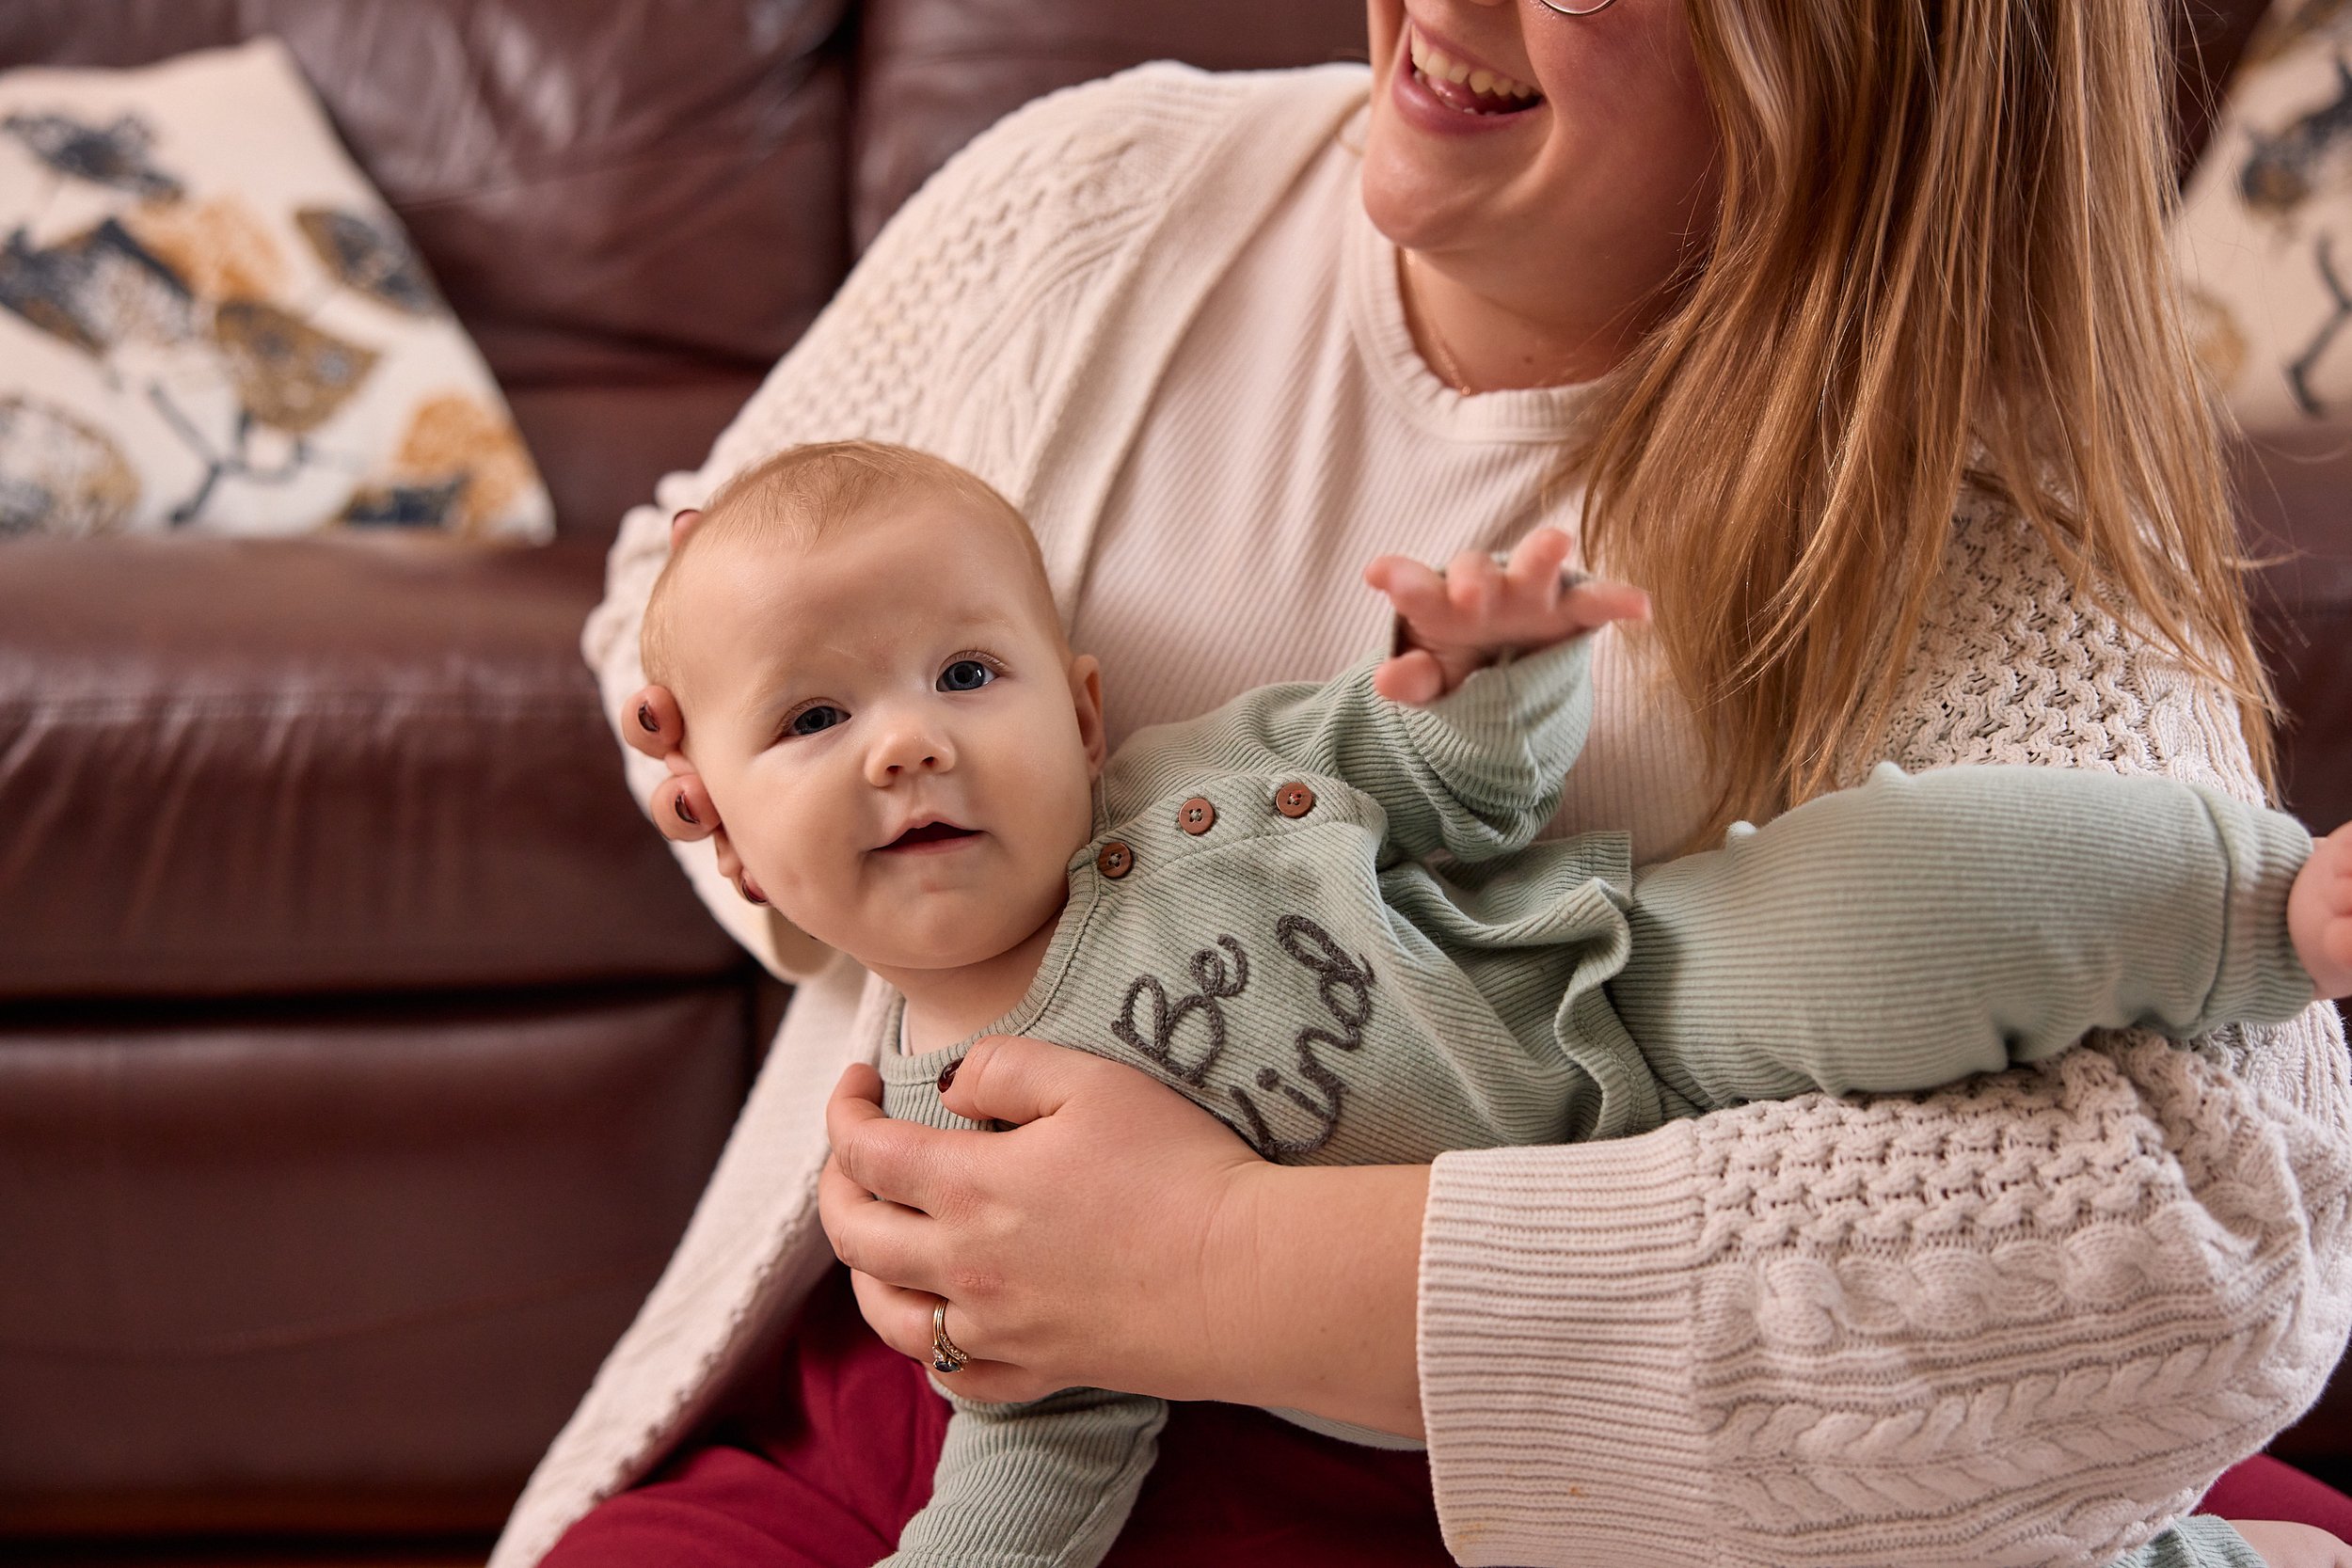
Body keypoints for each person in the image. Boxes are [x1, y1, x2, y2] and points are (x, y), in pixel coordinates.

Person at [493, 3, 2352, 1566]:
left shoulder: (1966, 497)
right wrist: (780, 792)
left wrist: (1203, 1262)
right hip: (960, 1411)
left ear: (1845, 58)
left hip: (1519, 1504)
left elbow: (2202, 1233)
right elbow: (690, 579)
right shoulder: (1101, 194)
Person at [615, 435, 2352, 1568]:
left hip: (1626, 984)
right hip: (1504, 1376)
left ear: (1078, 717)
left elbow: (1451, 785)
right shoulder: (946, 1151)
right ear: (724, 838)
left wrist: (1496, 670)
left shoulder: (1209, 778)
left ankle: (2255, 904)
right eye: (812, 721)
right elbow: (1033, 1448)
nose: (909, 738)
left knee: (1892, 892)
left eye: (966, 675)